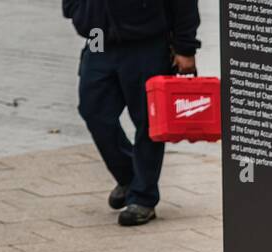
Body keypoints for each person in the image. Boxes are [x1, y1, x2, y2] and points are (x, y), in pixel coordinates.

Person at [62, 1, 201, 226]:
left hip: (147, 43)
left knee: (148, 120)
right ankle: (129, 177)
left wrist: (185, 48)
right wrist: (78, 12)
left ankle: (143, 199)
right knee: (93, 110)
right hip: (98, 39)